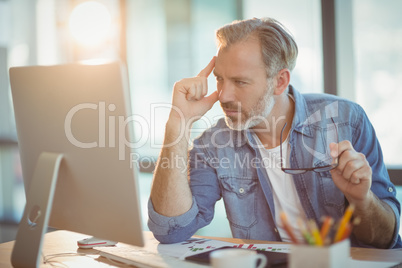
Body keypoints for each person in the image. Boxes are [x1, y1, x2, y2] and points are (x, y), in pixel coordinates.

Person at [148, 17, 401, 248]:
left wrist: (362, 200)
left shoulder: (346, 120)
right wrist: (178, 125)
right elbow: (171, 230)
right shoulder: (214, 144)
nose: (223, 96)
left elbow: (385, 240)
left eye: (240, 82)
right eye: (219, 79)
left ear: (279, 81)